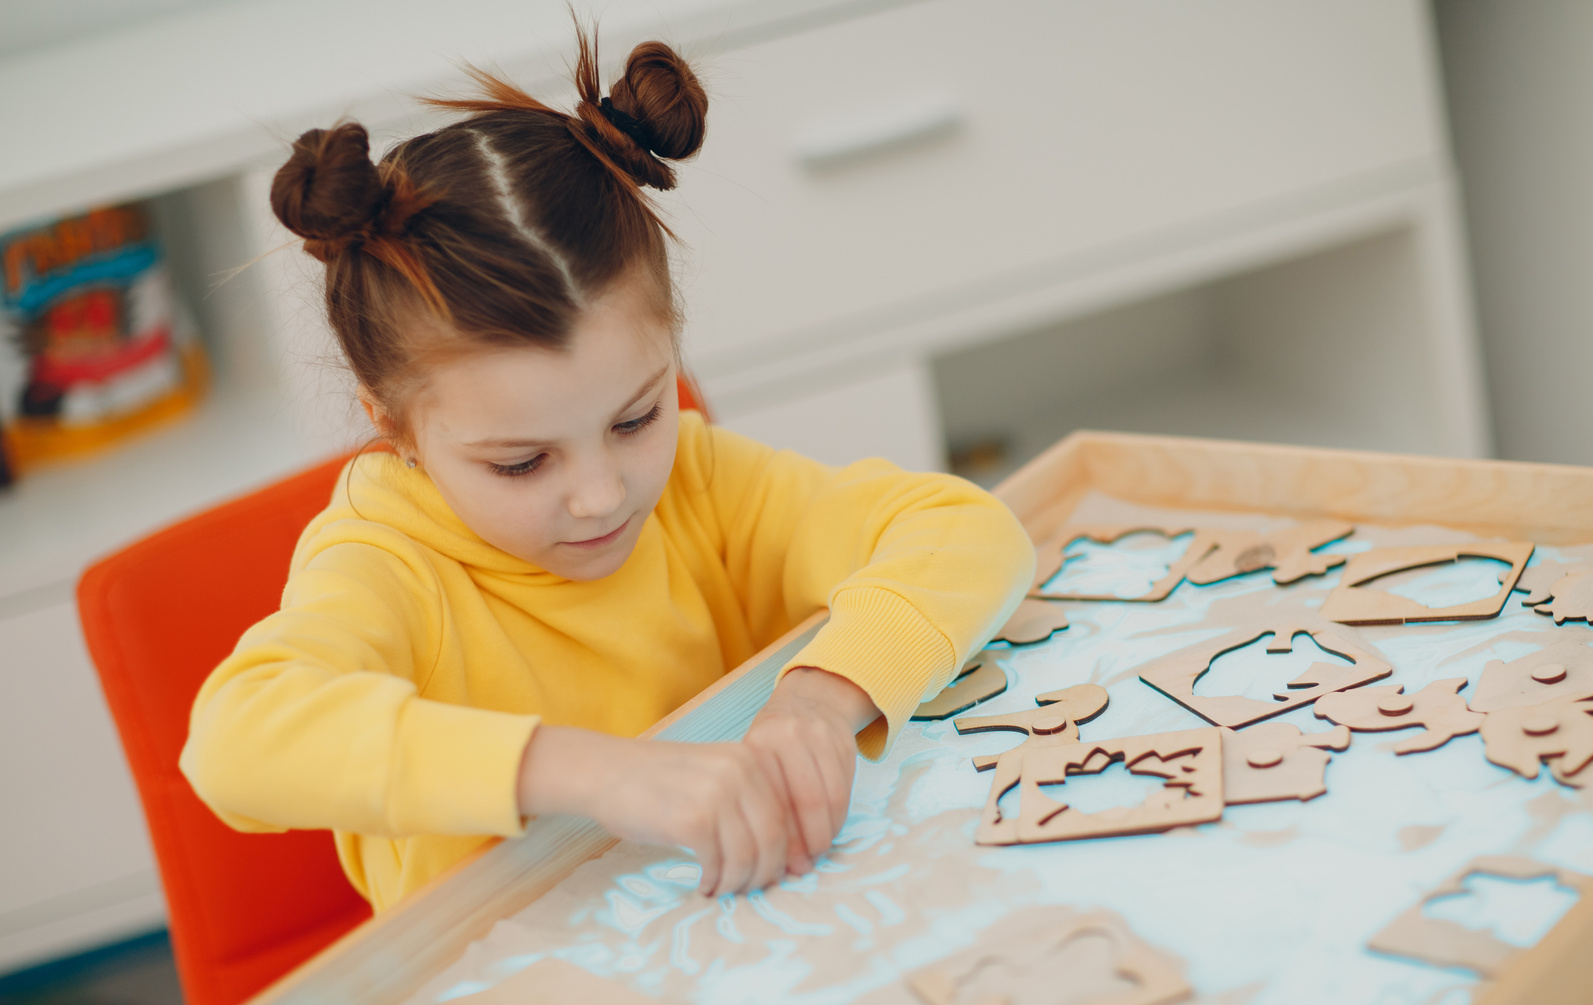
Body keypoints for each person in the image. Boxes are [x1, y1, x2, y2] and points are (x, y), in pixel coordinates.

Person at [181, 33, 1034, 913]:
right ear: (392, 428)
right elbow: (233, 744)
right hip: (513, 989)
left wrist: (823, 698)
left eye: (635, 418)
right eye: (520, 462)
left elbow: (967, 532)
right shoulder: (387, 567)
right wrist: (583, 770)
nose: (603, 494)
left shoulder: (700, 484)